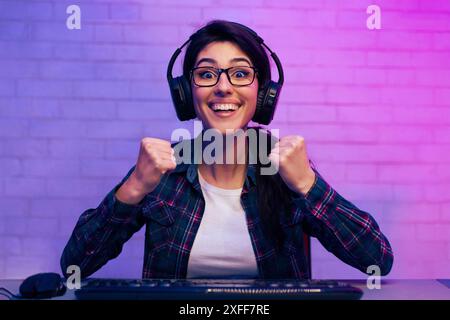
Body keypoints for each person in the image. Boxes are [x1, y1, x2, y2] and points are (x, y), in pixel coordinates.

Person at [60, 20, 393, 280]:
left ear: (263, 93)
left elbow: (377, 259)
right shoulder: (161, 171)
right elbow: (75, 265)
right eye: (206, 74)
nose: (223, 87)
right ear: (185, 92)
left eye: (240, 74)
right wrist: (133, 188)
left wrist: (307, 184)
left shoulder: (286, 169)